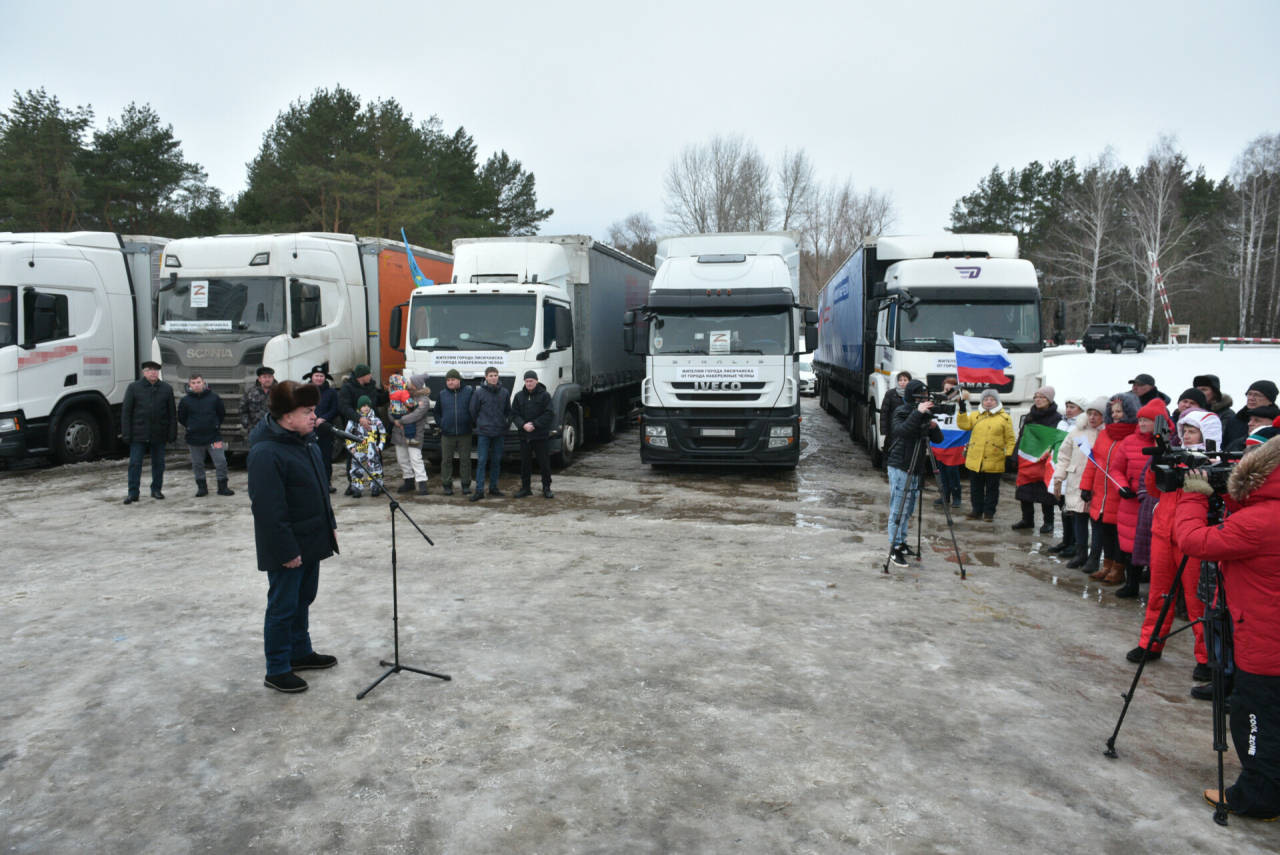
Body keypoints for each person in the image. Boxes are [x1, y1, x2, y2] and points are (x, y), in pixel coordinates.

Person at [1176, 433, 1280, 820]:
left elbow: (1194, 540)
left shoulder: (1259, 522)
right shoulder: (1267, 512)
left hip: (1265, 641)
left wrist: (1193, 494)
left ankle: (1258, 798)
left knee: (1256, 718)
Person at [247, 380, 339, 694]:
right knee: (283, 606)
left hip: (311, 539)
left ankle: (300, 651)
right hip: (288, 547)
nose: (316, 416)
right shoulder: (266, 452)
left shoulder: (306, 441)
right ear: (287, 416)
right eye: (308, 411)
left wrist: (331, 524)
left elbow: (319, 490)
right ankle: (277, 668)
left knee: (303, 599)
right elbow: (268, 510)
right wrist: (286, 550)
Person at [1127, 410, 1217, 674]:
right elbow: (1154, 489)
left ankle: (1207, 657)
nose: (1186, 436)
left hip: (1195, 539)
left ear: (1207, 434)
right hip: (1163, 533)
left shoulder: (1215, 461)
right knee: (1159, 592)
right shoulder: (1174, 455)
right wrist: (1158, 462)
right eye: (1185, 430)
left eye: (1193, 431)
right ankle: (1150, 643)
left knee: (1198, 599)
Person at [1109, 400, 1169, 598]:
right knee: (1131, 545)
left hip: (1158, 502)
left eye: (1147, 420)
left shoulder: (1170, 442)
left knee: (1158, 546)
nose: (1141, 423)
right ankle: (1131, 584)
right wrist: (1122, 487)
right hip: (1132, 502)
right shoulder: (1129, 441)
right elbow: (1115, 469)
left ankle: (1157, 589)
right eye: (1140, 419)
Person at [1079, 392, 1139, 583]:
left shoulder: (1132, 435)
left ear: (1129, 412)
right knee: (1105, 531)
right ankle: (1107, 566)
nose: (1115, 415)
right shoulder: (1106, 433)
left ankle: (1118, 569)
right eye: (1112, 411)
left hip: (1120, 493)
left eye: (1119, 411)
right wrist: (1086, 487)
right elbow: (1093, 462)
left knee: (1119, 534)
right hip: (1101, 492)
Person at [885, 379, 943, 567]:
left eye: (926, 397)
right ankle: (893, 548)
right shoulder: (902, 411)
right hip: (901, 465)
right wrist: (918, 413)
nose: (925, 400)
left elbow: (939, 440)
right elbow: (901, 431)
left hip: (917, 467)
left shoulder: (923, 414)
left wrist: (933, 426)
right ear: (912, 396)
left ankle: (901, 542)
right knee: (898, 508)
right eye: (921, 396)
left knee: (908, 509)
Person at [955, 388, 1015, 522]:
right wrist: (962, 411)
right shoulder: (975, 415)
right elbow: (963, 425)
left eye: (992, 399)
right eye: (986, 399)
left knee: (992, 488)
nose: (989, 402)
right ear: (982, 401)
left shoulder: (1005, 418)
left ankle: (989, 512)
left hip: (995, 458)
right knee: (976, 487)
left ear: (997, 401)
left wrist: (1009, 456)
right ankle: (976, 510)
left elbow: (1010, 439)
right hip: (975, 458)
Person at [121, 361, 177, 503]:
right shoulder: (134, 388)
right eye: (150, 370)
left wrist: (172, 432)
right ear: (144, 372)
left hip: (159, 432)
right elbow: (126, 413)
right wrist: (126, 433)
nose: (153, 372)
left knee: (158, 463)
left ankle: (156, 490)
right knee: (135, 463)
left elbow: (172, 413)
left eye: (156, 370)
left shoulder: (166, 388)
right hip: (138, 433)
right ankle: (133, 492)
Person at [1050, 396, 1097, 562]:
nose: (1092, 417)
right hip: (1076, 480)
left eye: (1096, 414)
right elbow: (1063, 456)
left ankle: (1094, 557)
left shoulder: (1105, 433)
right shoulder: (1076, 431)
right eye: (1090, 413)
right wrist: (1058, 479)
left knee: (1097, 523)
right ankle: (1080, 552)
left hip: (1098, 484)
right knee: (1077, 517)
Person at [1013, 386, 1062, 534]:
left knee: (1045, 492)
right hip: (1027, 458)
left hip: (1043, 459)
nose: (1038, 400)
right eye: (1036, 397)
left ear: (1050, 400)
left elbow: (1053, 438)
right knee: (1025, 489)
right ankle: (1027, 519)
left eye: (1042, 397)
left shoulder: (1057, 418)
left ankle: (1048, 521)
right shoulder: (1030, 416)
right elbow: (1022, 437)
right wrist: (1015, 456)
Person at [177, 373, 233, 497]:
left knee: (221, 461)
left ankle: (223, 487)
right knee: (197, 464)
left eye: (198, 382)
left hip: (214, 437)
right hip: (194, 439)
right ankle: (202, 488)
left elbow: (221, 413)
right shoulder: (185, 401)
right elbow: (181, 418)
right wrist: (191, 427)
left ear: (204, 382)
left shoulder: (214, 398)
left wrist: (215, 425)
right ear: (189, 384)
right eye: (193, 383)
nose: (196, 385)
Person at [337, 364, 388, 495]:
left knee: (375, 455)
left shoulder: (371, 386)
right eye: (369, 374)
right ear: (361, 376)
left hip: (372, 429)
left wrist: (388, 393)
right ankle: (353, 484)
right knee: (354, 456)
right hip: (356, 429)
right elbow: (343, 406)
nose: (371, 376)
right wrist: (359, 418)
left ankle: (377, 484)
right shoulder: (347, 388)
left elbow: (379, 402)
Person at [470, 366, 512, 501]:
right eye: (491, 375)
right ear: (486, 377)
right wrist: (480, 423)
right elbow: (473, 411)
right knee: (481, 461)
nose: (494, 378)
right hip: (484, 432)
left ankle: (493, 487)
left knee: (496, 461)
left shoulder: (504, 392)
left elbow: (508, 411)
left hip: (499, 432)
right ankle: (479, 490)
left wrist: (505, 424)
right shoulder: (479, 393)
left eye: (495, 375)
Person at [511, 370, 555, 498]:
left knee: (544, 463)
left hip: (540, 436)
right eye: (527, 381)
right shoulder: (519, 396)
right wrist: (523, 425)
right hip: (525, 437)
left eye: (531, 381)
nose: (529, 384)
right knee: (525, 463)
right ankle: (525, 488)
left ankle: (546, 487)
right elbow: (514, 413)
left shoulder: (545, 396)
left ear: (536, 381)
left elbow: (549, 414)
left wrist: (534, 424)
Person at [434, 369, 475, 496]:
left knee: (465, 460)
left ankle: (465, 484)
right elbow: (437, 411)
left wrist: (472, 423)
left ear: (459, 380)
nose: (450, 382)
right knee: (446, 460)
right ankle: (447, 485)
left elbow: (474, 408)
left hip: (465, 432)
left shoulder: (469, 392)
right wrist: (441, 423)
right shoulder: (442, 394)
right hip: (447, 433)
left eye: (452, 380)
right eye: (448, 380)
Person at [388, 379, 431, 496]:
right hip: (399, 432)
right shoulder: (400, 394)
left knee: (415, 459)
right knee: (402, 459)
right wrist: (395, 421)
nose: (408, 384)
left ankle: (422, 484)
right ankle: (409, 482)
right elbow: (390, 409)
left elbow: (417, 414)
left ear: (416, 385)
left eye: (411, 382)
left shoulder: (424, 399)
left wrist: (400, 421)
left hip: (414, 432)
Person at [932, 376, 964, 509]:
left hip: (953, 443)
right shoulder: (938, 401)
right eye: (946, 389)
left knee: (952, 471)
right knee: (941, 471)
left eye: (951, 389)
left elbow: (965, 421)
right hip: (940, 442)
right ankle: (945, 495)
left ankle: (957, 496)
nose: (948, 392)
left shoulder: (962, 402)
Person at [345, 396, 386, 498]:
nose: (366, 408)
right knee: (356, 469)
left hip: (372, 450)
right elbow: (346, 434)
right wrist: (351, 446)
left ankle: (376, 487)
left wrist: (380, 447)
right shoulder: (354, 420)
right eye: (363, 406)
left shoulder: (376, 420)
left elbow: (383, 434)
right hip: (358, 449)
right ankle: (357, 489)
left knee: (375, 469)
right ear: (359, 407)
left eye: (368, 406)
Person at [308, 366, 339, 493]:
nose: (319, 378)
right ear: (311, 377)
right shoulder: (305, 391)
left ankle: (327, 482)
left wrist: (323, 419)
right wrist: (313, 420)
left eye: (321, 376)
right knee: (309, 458)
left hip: (326, 429)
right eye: (316, 376)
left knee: (326, 457)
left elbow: (335, 409)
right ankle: (312, 484)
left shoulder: (331, 392)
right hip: (309, 429)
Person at [1224, 380, 1277, 449]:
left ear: (1270, 400)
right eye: (1249, 394)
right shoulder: (1234, 420)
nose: (1251, 398)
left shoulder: (1276, 420)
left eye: (1258, 395)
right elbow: (1225, 445)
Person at [878, 371, 913, 446]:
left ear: (910, 381)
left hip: (907, 428)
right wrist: (885, 430)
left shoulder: (912, 395)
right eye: (900, 380)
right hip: (892, 428)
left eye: (905, 380)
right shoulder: (890, 393)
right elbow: (884, 413)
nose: (902, 382)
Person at [239, 367, 275, 435]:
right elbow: (242, 410)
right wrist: (249, 426)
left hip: (275, 431)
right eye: (264, 377)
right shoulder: (250, 392)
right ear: (259, 379)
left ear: (273, 378)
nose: (267, 379)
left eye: (269, 377)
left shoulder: (279, 392)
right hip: (256, 430)